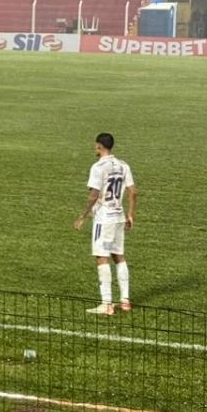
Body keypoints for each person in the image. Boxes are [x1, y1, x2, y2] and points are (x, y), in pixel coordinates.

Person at [73, 133, 137, 314]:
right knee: (118, 255)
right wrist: (130, 215)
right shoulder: (123, 165)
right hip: (119, 216)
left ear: (99, 146)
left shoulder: (98, 167)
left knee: (101, 257)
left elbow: (94, 194)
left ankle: (107, 303)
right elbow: (133, 192)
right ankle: (125, 301)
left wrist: (83, 216)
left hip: (104, 218)